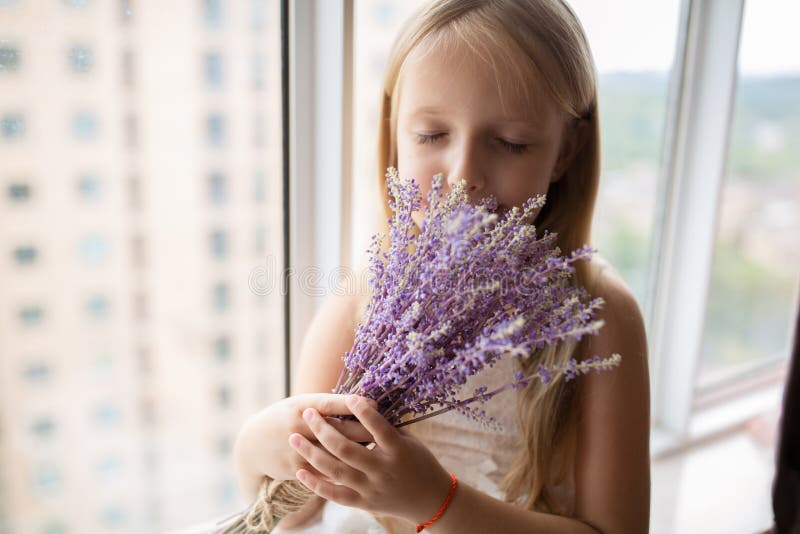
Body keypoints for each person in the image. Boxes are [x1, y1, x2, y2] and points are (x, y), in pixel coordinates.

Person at [233, 0, 651, 532]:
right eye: (432, 135)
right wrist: (257, 444)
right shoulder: (368, 298)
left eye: (511, 143)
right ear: (394, 134)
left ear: (567, 150)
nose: (462, 176)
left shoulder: (598, 317)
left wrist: (435, 500)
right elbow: (294, 510)